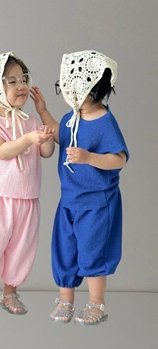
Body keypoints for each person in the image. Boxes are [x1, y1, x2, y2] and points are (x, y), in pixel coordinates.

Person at [31, 50, 129, 325]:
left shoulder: (104, 122)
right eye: (63, 87)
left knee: (93, 249)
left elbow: (119, 158)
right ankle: (66, 300)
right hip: (70, 200)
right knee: (65, 250)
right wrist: (42, 112)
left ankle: (97, 303)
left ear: (92, 88)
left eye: (71, 88)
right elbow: (60, 133)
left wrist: (89, 158)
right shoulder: (71, 117)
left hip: (97, 202)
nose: (66, 93)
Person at [0, 52, 55, 318]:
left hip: (28, 198)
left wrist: (43, 128)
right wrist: (29, 139)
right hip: (0, 196)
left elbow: (47, 152)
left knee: (21, 247)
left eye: (23, 79)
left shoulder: (31, 122)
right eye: (12, 81)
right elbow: (2, 151)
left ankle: (10, 292)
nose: (21, 86)